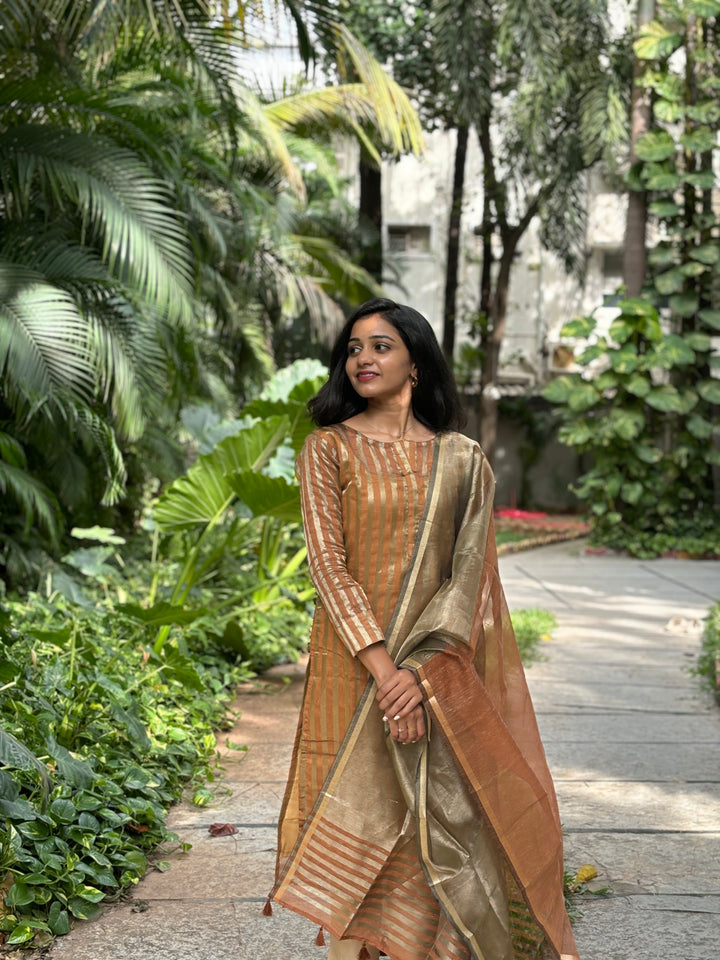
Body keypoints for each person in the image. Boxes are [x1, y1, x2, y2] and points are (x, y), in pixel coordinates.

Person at [270, 298, 579, 960]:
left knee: (438, 812)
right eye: (354, 348)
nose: (363, 359)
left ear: (415, 361)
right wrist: (388, 676)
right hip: (354, 666)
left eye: (380, 346)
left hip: (438, 668)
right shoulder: (328, 449)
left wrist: (418, 675)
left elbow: (468, 577)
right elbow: (328, 567)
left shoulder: (462, 459)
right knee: (361, 803)